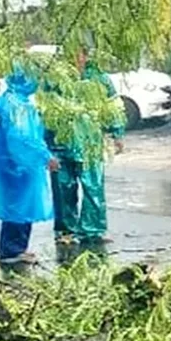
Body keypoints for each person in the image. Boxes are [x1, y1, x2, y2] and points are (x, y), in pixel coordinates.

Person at [0, 63, 60, 265]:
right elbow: (22, 137)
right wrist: (45, 156)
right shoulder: (19, 106)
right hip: (19, 164)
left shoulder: (3, 100)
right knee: (20, 206)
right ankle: (12, 250)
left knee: (15, 205)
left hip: (7, 163)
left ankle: (14, 248)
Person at [46, 51, 127, 246]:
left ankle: (93, 229)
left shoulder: (99, 78)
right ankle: (66, 230)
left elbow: (112, 106)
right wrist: (44, 146)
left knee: (93, 187)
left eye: (80, 52)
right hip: (60, 142)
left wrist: (117, 133)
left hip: (90, 143)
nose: (77, 57)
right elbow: (44, 110)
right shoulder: (55, 78)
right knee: (63, 188)